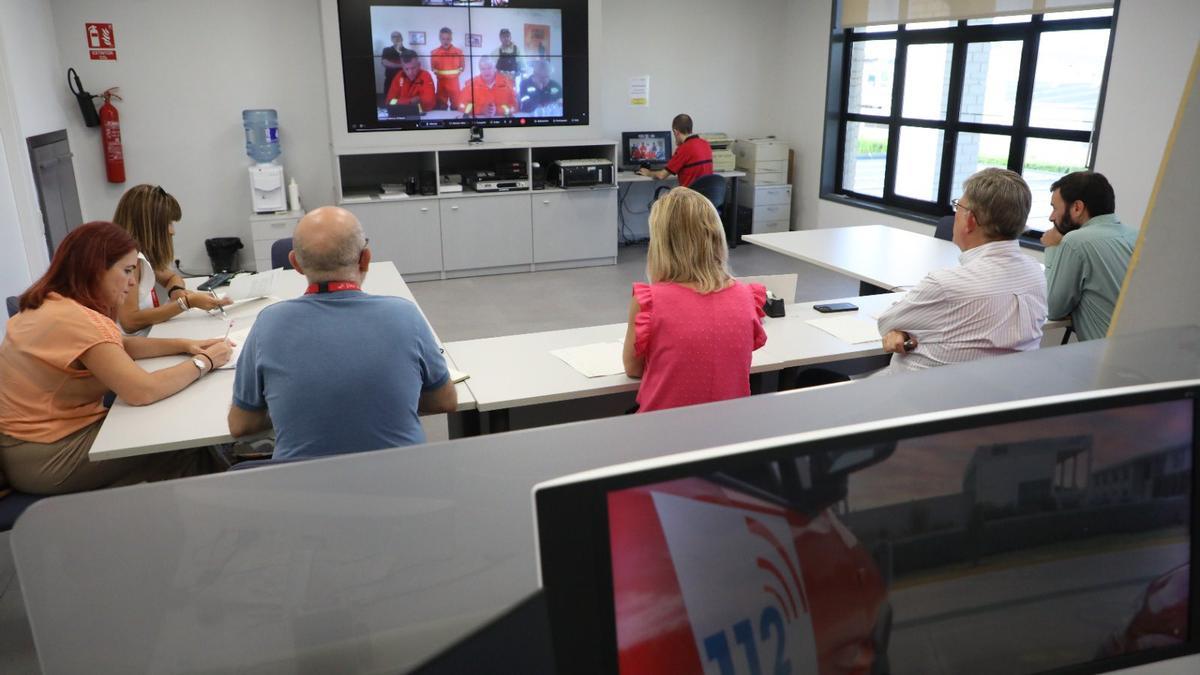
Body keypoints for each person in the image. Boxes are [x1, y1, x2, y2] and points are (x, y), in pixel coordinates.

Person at [0, 222, 232, 495]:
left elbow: (117, 345)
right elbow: (143, 391)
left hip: (25, 447)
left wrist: (185, 345)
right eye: (127, 271)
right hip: (49, 458)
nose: (133, 282)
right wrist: (205, 362)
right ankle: (220, 515)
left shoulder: (49, 305)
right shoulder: (79, 321)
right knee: (182, 445)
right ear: (94, 270)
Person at [228, 206, 457, 460]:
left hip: (303, 494)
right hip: (406, 488)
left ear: (295, 264)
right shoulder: (405, 315)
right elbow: (444, 401)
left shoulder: (269, 323)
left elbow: (241, 425)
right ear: (366, 258)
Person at [876, 168, 1047, 374]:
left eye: (958, 206)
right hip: (1003, 397)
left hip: (920, 398)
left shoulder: (945, 285)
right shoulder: (1036, 274)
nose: (954, 213)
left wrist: (904, 331)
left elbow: (886, 322)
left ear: (971, 220)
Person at [622, 187, 767, 413]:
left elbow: (633, 369)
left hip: (663, 436)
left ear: (661, 245)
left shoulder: (649, 301)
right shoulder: (747, 297)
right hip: (732, 435)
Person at [111, 184, 232, 335]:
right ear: (149, 225)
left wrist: (176, 290)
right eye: (168, 223)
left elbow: (171, 278)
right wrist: (187, 303)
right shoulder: (127, 261)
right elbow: (130, 321)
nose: (172, 231)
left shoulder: (142, 255)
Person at [1040, 171, 1137, 341]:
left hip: (1105, 359)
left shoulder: (1075, 242)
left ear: (1077, 207)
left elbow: (1052, 308)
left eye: (1055, 208)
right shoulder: (1136, 235)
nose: (1051, 217)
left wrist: (1053, 246)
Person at [638, 114, 714, 188]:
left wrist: (648, 173)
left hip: (690, 197)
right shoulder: (705, 144)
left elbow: (661, 176)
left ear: (676, 132)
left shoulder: (684, 148)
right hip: (706, 198)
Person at [430, 27, 465, 111]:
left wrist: (454, 75)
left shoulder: (459, 52)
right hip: (441, 83)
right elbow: (433, 68)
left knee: (456, 106)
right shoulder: (434, 53)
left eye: (448, 39)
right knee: (441, 106)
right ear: (440, 39)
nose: (446, 41)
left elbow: (462, 67)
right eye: (443, 39)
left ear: (451, 38)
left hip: (454, 83)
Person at [381, 31, 417, 97]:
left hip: (406, 80)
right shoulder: (387, 50)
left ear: (402, 38)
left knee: (405, 100)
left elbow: (413, 64)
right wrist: (402, 65)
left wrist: (399, 51)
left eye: (398, 36)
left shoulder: (410, 52)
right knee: (390, 101)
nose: (396, 38)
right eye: (394, 37)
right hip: (390, 80)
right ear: (391, 39)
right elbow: (385, 62)